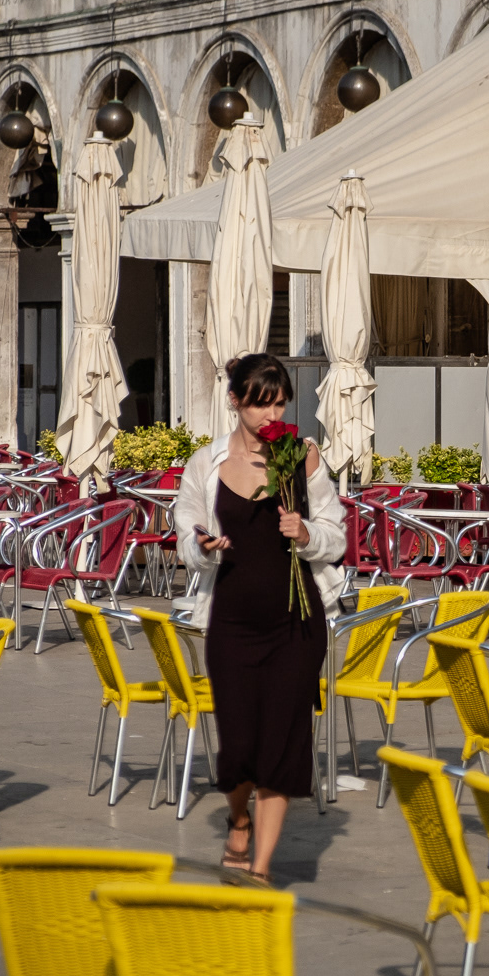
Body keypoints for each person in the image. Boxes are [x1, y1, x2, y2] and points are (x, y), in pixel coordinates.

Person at [174, 353, 345, 883]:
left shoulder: (304, 458)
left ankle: (262, 870)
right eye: (259, 402)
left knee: (282, 743)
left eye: (278, 401)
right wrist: (204, 545)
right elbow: (185, 538)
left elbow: (336, 537)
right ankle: (238, 817)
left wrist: (307, 534)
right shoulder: (206, 464)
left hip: (296, 623)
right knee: (240, 745)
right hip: (231, 623)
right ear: (234, 401)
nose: (271, 412)